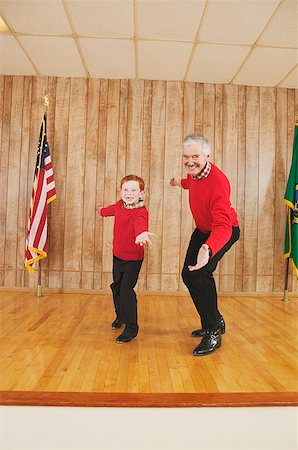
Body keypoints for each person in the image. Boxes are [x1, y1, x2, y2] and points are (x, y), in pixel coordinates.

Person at [170, 134, 240, 356]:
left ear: (207, 156)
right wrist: (178, 183)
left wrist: (208, 248)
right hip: (203, 230)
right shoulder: (195, 174)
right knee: (187, 274)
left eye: (196, 156)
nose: (190, 161)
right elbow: (190, 182)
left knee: (201, 274)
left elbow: (223, 225)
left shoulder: (218, 183)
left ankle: (212, 332)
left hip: (224, 231)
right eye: (186, 157)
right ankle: (215, 319)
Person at [97, 175, 154, 344]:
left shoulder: (140, 212)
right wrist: (101, 211)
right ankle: (120, 316)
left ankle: (131, 328)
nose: (129, 193)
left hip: (133, 260)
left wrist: (142, 233)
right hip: (118, 256)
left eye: (134, 190)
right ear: (121, 192)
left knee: (126, 291)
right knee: (116, 287)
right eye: (126, 190)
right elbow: (110, 210)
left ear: (141, 194)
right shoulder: (119, 206)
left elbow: (140, 224)